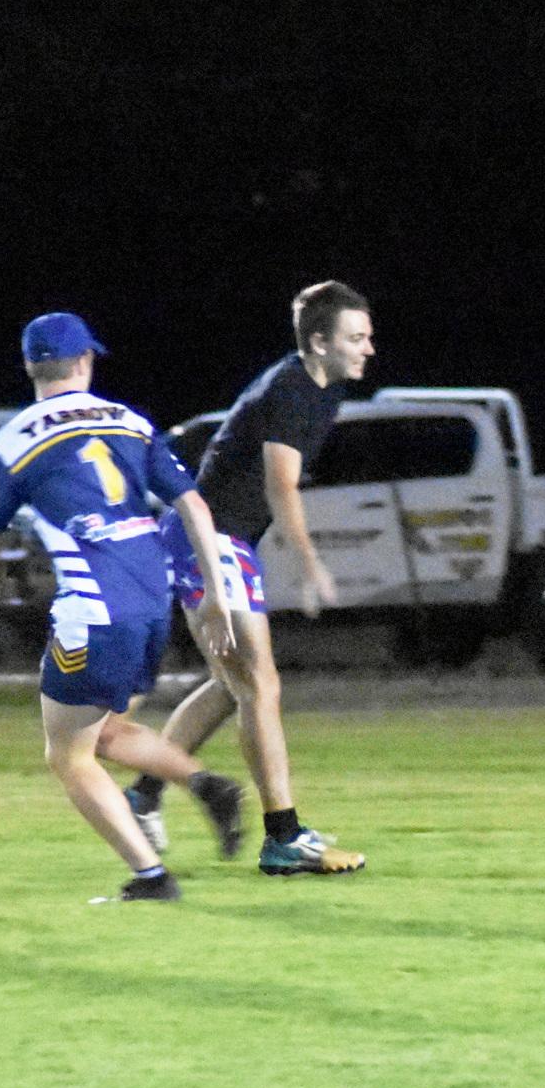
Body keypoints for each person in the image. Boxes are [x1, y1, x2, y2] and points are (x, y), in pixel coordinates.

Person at [0, 314, 246, 901]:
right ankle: (206, 784)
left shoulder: (13, 441)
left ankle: (152, 877)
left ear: (29, 367)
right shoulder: (129, 421)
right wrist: (217, 595)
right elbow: (193, 506)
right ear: (85, 362)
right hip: (152, 598)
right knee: (107, 730)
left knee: (68, 756)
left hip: (92, 611)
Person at [125, 282, 367, 877]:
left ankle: (142, 796)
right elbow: (280, 485)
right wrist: (310, 563)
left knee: (233, 685)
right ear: (318, 342)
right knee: (259, 684)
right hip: (208, 539)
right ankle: (283, 836)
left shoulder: (324, 389)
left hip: (224, 542)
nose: (368, 349)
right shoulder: (289, 391)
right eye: (356, 338)